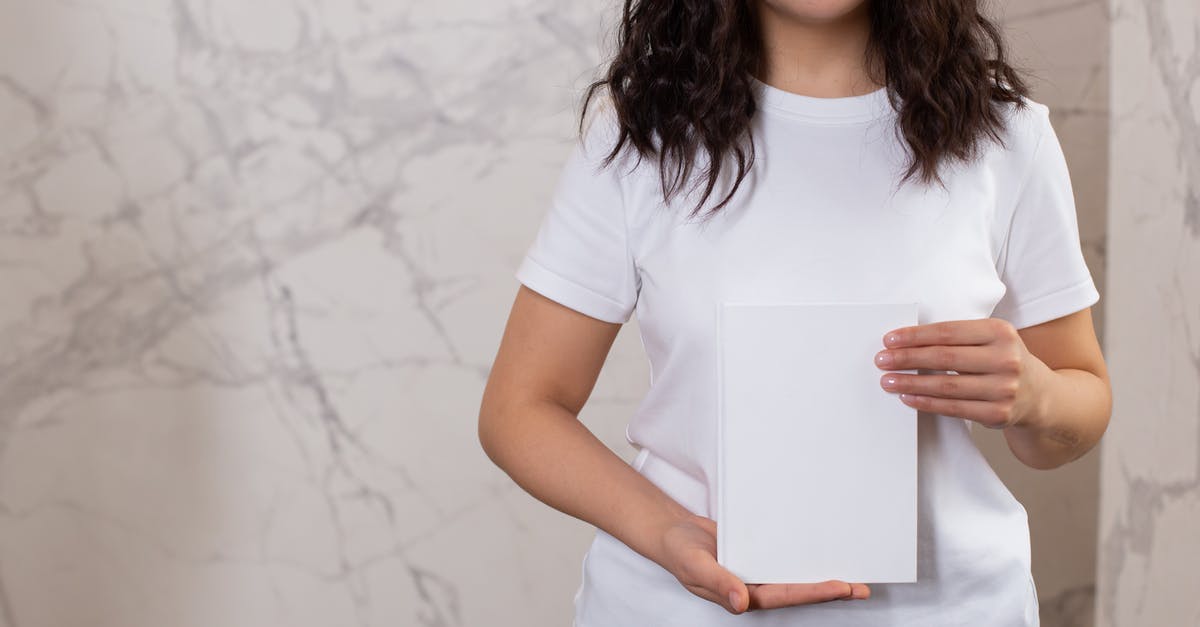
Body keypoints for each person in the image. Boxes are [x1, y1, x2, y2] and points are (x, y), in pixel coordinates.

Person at [478, 0, 1112, 624]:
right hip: (675, 610)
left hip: (952, 608)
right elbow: (521, 408)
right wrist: (669, 532)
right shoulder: (641, 137)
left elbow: (1078, 405)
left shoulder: (1005, 136)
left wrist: (1036, 398)